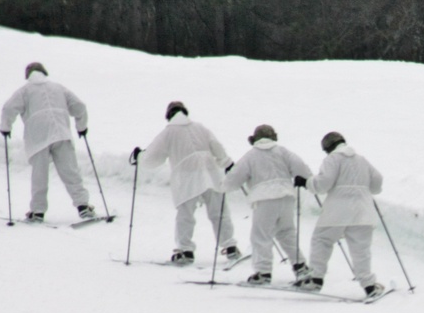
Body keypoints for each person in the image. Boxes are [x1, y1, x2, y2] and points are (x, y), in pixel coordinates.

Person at [133, 101, 239, 265]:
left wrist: (139, 157)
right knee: (219, 212)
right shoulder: (201, 127)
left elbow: (152, 159)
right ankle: (230, 246)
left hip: (187, 177)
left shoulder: (168, 133)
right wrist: (227, 163)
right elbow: (216, 146)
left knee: (186, 215)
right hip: (211, 173)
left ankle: (185, 250)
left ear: (169, 116)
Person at [0, 62, 97, 222]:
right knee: (70, 172)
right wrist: (81, 127)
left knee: (40, 175)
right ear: (44, 72)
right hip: (61, 133)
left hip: (38, 137)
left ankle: (37, 212)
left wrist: (5, 127)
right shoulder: (59, 88)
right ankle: (83, 207)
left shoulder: (25, 91)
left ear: (27, 76)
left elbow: (8, 109)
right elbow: (79, 106)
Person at [294, 131, 384, 298]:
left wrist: (306, 182)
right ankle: (369, 286)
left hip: (337, 211)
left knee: (322, 240)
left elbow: (323, 184)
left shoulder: (332, 159)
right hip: (363, 211)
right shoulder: (362, 160)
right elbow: (377, 183)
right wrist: (364, 189)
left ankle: (316, 279)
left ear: (328, 148)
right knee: (360, 249)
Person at [221, 125, 312, 285]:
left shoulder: (251, 156)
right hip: (286, 197)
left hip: (264, 200)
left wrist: (225, 184)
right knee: (287, 233)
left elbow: (234, 179)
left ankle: (263, 273)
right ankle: (301, 266)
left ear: (254, 139)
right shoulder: (284, 152)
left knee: (261, 236)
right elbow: (302, 170)